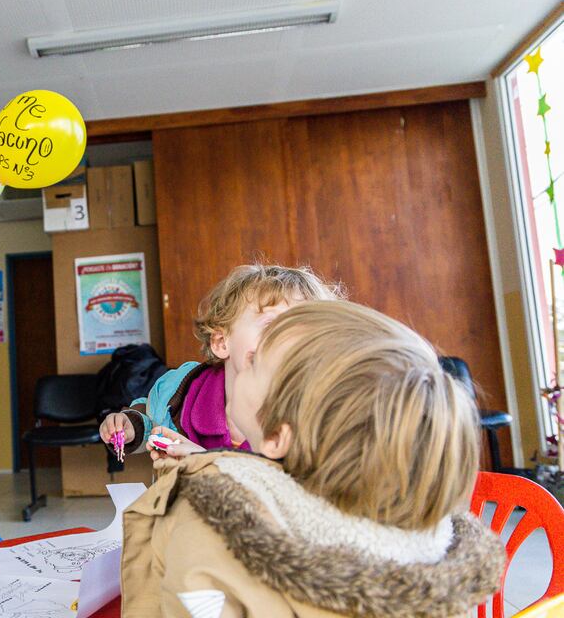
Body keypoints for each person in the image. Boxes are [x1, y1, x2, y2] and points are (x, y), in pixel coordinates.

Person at [120, 301, 505, 617]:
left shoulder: (203, 527)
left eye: (255, 364)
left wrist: (193, 475)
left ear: (275, 436)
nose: (236, 371)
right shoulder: (432, 552)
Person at [99, 264, 341, 458]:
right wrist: (131, 426)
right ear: (222, 343)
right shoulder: (181, 392)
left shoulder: (317, 412)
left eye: (302, 330)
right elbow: (153, 423)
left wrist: (204, 462)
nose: (285, 339)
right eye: (271, 324)